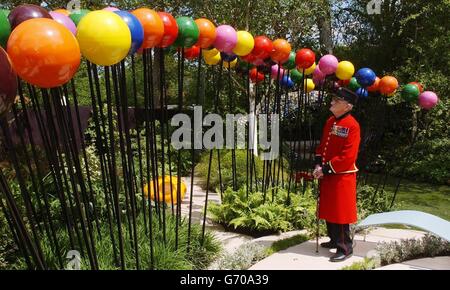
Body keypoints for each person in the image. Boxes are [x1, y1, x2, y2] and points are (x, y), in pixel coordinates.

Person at [313, 87, 361, 262]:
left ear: (347, 106)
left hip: (342, 175)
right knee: (329, 208)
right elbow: (323, 145)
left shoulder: (352, 125)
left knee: (340, 212)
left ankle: (345, 248)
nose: (332, 102)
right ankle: (334, 240)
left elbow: (348, 156)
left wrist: (325, 169)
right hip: (328, 173)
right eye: (333, 99)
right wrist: (318, 163)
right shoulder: (330, 121)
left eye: (337, 100)